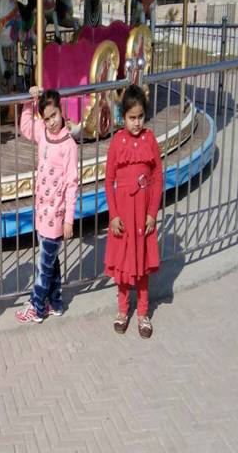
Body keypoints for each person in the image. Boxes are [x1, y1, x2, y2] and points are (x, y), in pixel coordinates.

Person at [15, 87, 78, 323]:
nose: (51, 122)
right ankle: (56, 301)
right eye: (47, 117)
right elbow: (25, 126)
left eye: (55, 116)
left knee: (44, 265)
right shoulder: (42, 133)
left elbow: (72, 184)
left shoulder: (68, 145)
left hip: (57, 215)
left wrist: (69, 219)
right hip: (41, 211)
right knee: (51, 260)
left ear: (62, 112)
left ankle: (37, 306)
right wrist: (28, 101)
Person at [104, 84, 163, 339]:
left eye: (140, 117)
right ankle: (122, 309)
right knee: (123, 264)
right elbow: (108, 181)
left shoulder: (150, 139)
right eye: (131, 118)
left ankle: (142, 312)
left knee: (141, 264)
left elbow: (158, 176)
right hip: (124, 217)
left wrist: (152, 212)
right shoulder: (118, 141)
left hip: (143, 216)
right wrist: (114, 215)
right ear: (123, 117)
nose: (136, 123)